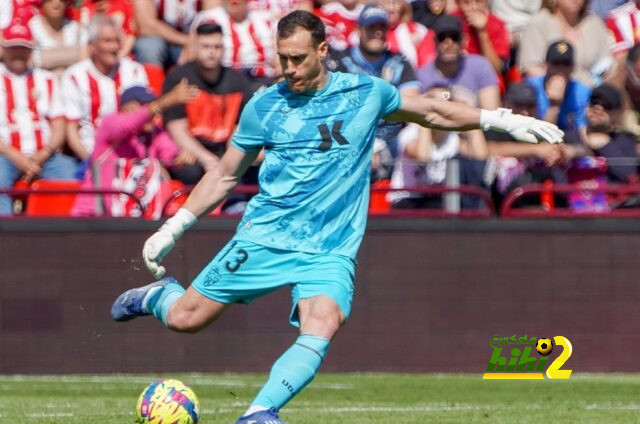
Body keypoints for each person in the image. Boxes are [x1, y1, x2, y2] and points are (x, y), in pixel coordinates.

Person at [110, 10, 562, 424]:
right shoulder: (264, 105)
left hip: (329, 247)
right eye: (282, 59)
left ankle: (259, 412)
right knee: (187, 318)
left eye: (298, 59)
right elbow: (227, 174)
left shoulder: (365, 94)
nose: (289, 69)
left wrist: (496, 118)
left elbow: (432, 110)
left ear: (323, 51)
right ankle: (158, 296)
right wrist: (175, 226)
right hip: (266, 235)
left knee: (323, 320)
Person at [71, 82, 200, 218]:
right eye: (146, 106)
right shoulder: (110, 123)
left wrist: (180, 158)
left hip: (132, 216)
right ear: (127, 108)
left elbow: (170, 152)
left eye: (153, 105)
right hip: (93, 217)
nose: (154, 113)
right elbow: (131, 123)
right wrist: (166, 101)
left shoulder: (154, 133)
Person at [327, 3, 420, 179]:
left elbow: (411, 106)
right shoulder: (339, 62)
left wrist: (377, 145)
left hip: (390, 139)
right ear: (359, 29)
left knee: (412, 134)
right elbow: (333, 109)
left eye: (382, 27)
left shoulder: (400, 63)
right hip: (347, 137)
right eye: (371, 26)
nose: (377, 32)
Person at [162, 21, 258, 185]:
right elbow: (176, 129)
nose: (212, 53)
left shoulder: (238, 81)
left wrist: (230, 160)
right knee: (188, 170)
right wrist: (206, 159)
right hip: (192, 154)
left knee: (251, 170)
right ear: (194, 47)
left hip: (227, 152)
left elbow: (241, 128)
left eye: (217, 47)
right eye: (206, 47)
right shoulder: (179, 79)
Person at [0, 22, 76, 215]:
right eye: (13, 48)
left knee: (69, 175)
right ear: (4, 48)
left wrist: (43, 154)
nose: (18, 53)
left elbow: (59, 125)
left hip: (46, 156)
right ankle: (6, 236)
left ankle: (63, 235)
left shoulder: (47, 79)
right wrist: (16, 156)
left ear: (31, 50)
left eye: (23, 48)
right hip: (5, 155)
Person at [61, 15, 148, 164]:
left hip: (130, 155)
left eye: (117, 41)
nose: (114, 47)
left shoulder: (134, 72)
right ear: (92, 46)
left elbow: (143, 118)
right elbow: (72, 132)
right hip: (89, 156)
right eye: (107, 41)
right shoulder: (74, 77)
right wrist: (92, 164)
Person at [519, 0, 613, 88]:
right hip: (547, 93)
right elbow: (531, 68)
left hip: (590, 92)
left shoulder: (594, 23)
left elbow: (607, 64)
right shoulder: (539, 22)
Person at [416, 14, 500, 109]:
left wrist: (447, 96)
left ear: (463, 40)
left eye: (454, 37)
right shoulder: (422, 75)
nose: (449, 43)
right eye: (442, 37)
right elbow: (413, 120)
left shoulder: (481, 66)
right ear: (435, 42)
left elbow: (491, 114)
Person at [190, 0, 277, 81]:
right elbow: (191, 57)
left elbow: (278, 62)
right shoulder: (209, 19)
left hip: (262, 81)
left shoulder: (265, 20)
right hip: (221, 82)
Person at [526, 41, 591, 132]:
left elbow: (581, 130)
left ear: (573, 67)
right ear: (545, 65)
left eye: (566, 64)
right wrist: (554, 106)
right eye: (556, 64)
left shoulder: (582, 92)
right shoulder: (530, 87)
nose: (561, 69)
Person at [28, 0, 89, 73]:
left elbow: (85, 64)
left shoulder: (77, 29)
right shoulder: (31, 28)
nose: (57, 2)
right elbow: (29, 66)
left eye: (62, 0)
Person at [451, 0, 510, 75]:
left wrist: (482, 32)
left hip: (486, 79)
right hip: (456, 77)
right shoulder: (451, 20)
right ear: (458, 4)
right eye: (466, 3)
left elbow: (496, 69)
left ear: (486, 1)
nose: (473, 7)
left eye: (478, 1)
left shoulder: (497, 25)